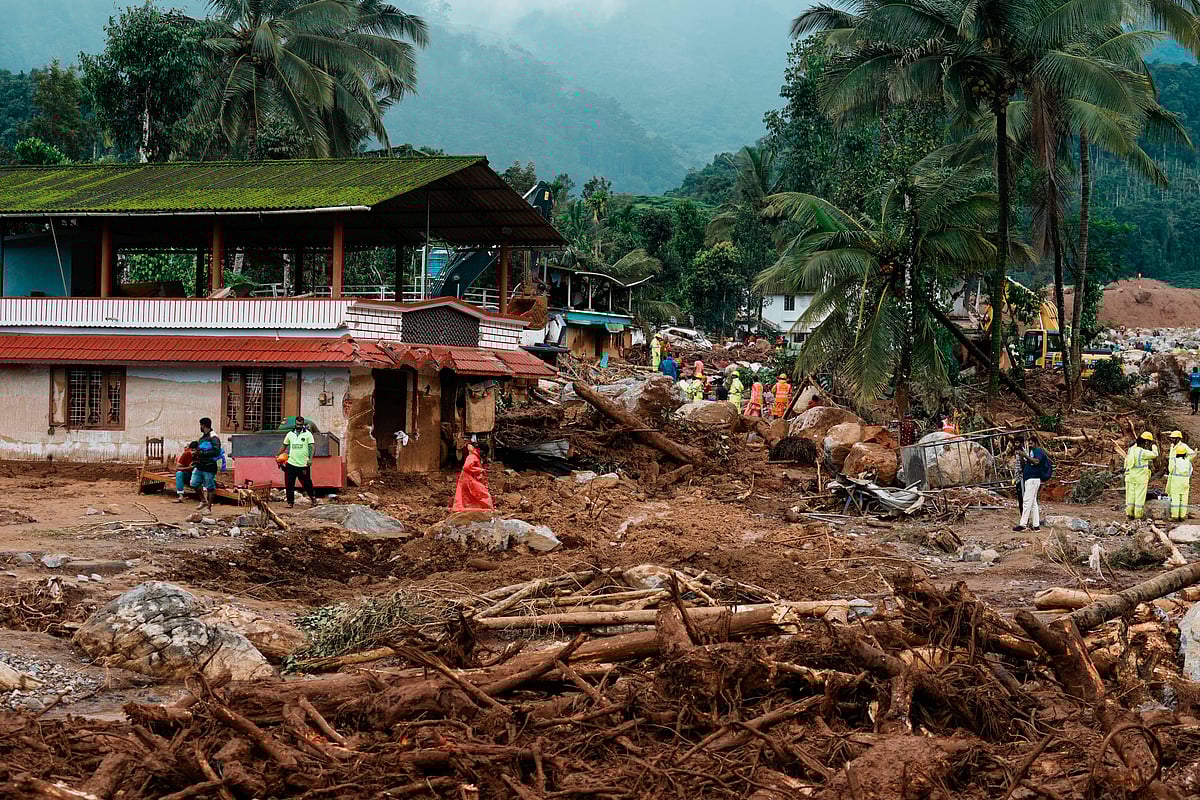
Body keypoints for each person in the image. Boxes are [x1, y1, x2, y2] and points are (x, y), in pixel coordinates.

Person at [1014, 435, 1052, 531]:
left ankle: (1023, 524)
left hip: (1033, 479)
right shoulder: (1032, 452)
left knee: (1026, 501)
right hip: (1030, 479)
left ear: (1035, 443)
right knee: (1033, 503)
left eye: (1031, 443)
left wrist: (1025, 455)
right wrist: (1023, 457)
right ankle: (1036, 525)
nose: (1030, 445)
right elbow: (1027, 463)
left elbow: (1036, 462)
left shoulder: (1038, 451)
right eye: (1029, 443)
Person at [279, 416, 318, 509]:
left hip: (303, 464)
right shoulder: (290, 434)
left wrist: (310, 459)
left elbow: (312, 447)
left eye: (300, 425)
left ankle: (313, 499)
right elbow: (284, 446)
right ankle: (290, 502)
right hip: (291, 463)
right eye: (297, 424)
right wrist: (278, 455)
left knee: (307, 483)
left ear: (303, 424)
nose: (298, 426)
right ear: (295, 424)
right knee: (289, 484)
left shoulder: (308, 434)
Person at [189, 418, 223, 512]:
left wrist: (200, 453)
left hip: (209, 466)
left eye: (200, 425)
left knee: (210, 487)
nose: (200, 427)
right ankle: (203, 500)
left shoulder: (214, 437)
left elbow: (216, 451)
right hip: (200, 465)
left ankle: (209, 508)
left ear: (203, 425)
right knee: (193, 483)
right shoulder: (203, 438)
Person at [1124, 431, 1159, 520]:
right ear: (1146, 442)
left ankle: (1129, 514)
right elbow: (1155, 455)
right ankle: (1138, 516)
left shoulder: (1131, 449)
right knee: (1139, 498)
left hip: (1131, 477)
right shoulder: (1143, 452)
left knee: (1130, 496)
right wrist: (1154, 447)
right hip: (1141, 478)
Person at [1168, 430, 1195, 520]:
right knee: (1184, 498)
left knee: (1175, 498)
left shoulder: (1183, 446)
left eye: (1173, 438)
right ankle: (1182, 516)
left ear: (1178, 438)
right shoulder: (1186, 461)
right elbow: (1190, 470)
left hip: (1176, 479)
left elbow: (1192, 454)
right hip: (1185, 480)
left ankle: (1175, 516)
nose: (1172, 440)